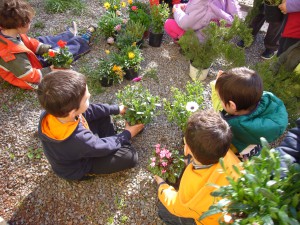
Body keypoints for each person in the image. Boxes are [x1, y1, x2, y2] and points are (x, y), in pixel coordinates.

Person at [37, 70, 144, 181]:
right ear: (73, 112)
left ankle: (113, 142)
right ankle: (111, 146)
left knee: (103, 114)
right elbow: (99, 147)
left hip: (80, 148)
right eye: (86, 98)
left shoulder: (54, 112)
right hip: (80, 166)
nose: (90, 95)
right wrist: (127, 134)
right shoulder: (77, 139)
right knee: (130, 156)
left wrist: (117, 109)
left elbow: (90, 110)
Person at [154, 110, 241, 225]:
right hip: (229, 216)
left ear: (186, 149)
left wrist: (162, 186)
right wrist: (189, 161)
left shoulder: (191, 185)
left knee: (163, 211)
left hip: (209, 221)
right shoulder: (227, 155)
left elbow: (176, 206)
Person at [0, 0, 93, 90]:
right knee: (59, 57)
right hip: (30, 71)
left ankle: (68, 36)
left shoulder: (8, 32)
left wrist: (46, 49)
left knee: (42, 41)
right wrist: (49, 70)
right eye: (30, 22)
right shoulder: (11, 56)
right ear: (20, 26)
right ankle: (81, 42)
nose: (31, 23)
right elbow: (29, 75)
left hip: (24, 55)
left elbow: (28, 42)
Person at [211, 67, 288, 159]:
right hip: (252, 154)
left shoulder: (233, 126)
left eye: (220, 99)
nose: (220, 101)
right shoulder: (263, 102)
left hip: (235, 158)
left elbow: (217, 111)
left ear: (232, 106)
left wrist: (216, 88)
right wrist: (222, 86)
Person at [164, 0, 240, 43]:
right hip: (215, 41)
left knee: (169, 24)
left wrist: (176, 11)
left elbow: (186, 24)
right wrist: (185, 5)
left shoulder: (203, 2)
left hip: (199, 41)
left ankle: (185, 44)